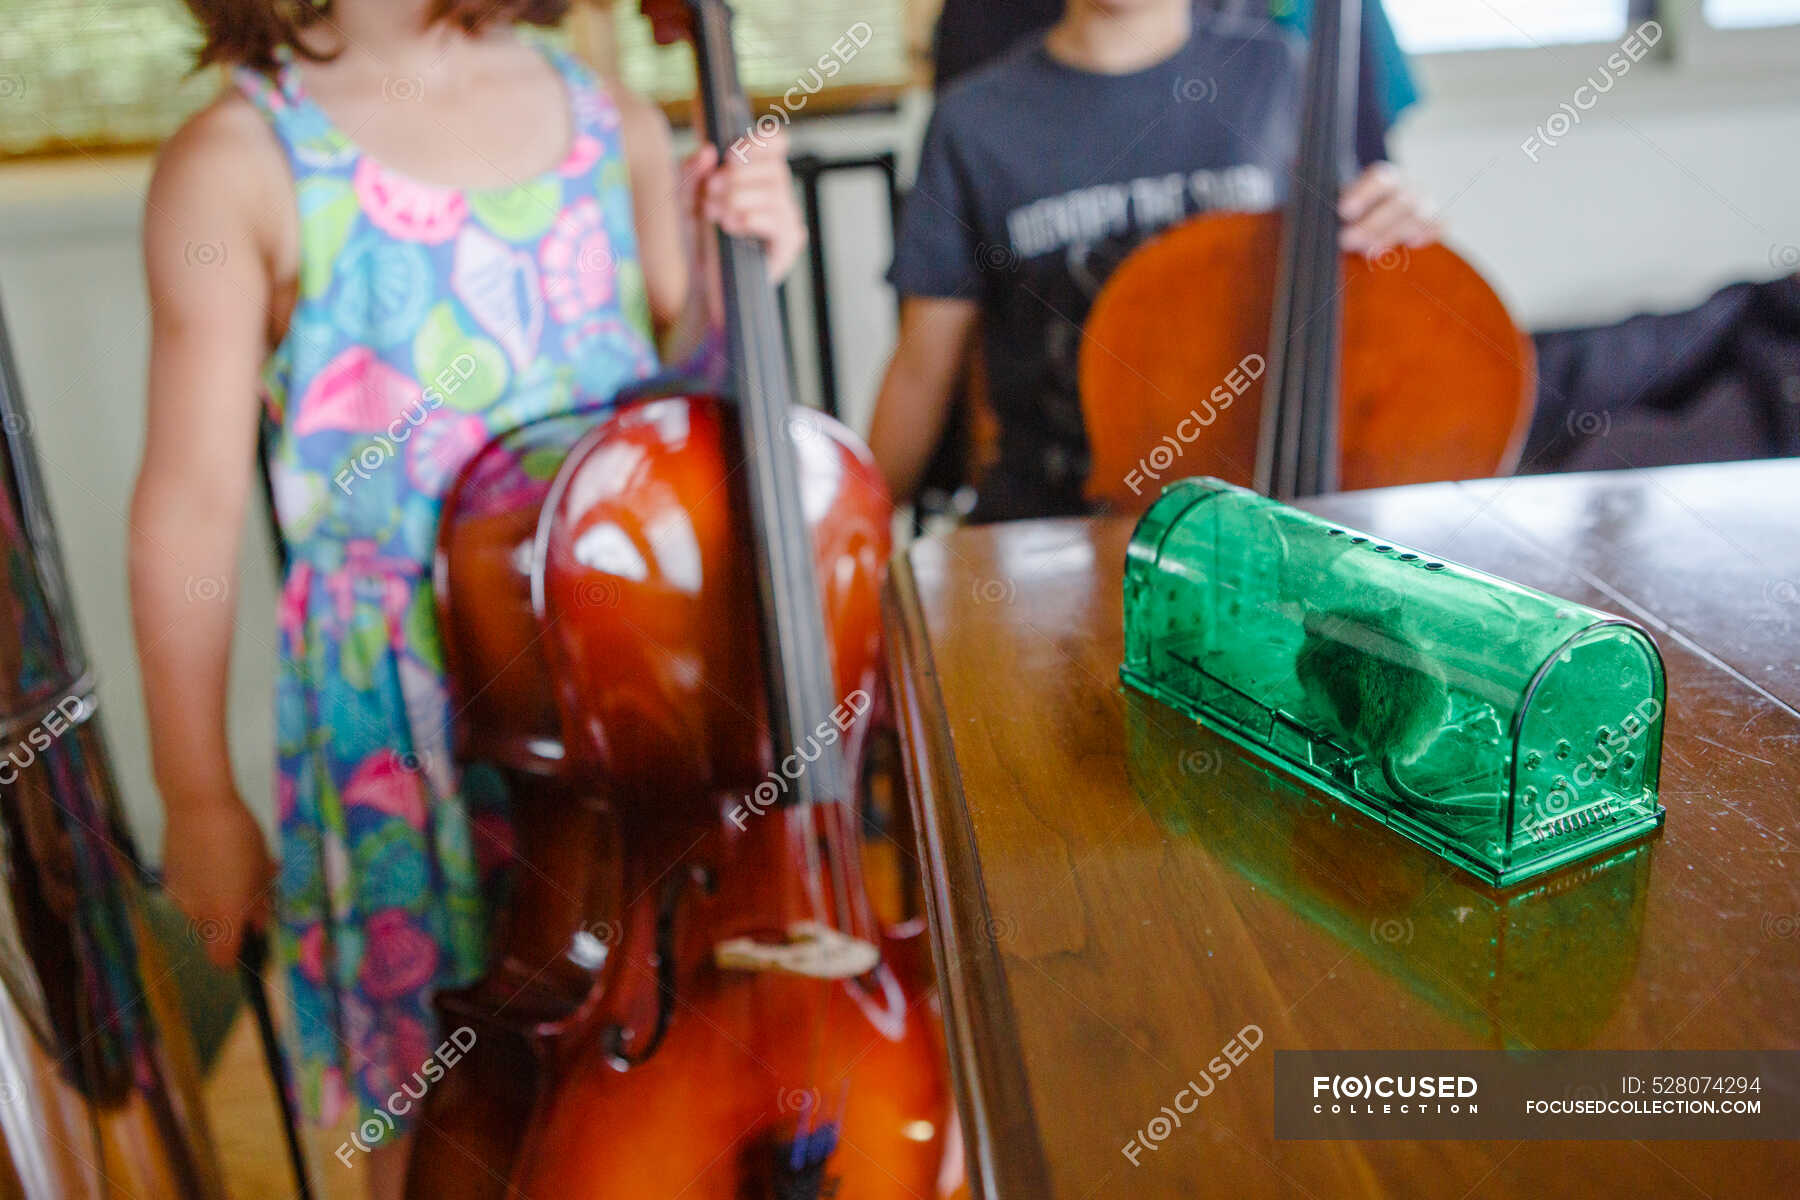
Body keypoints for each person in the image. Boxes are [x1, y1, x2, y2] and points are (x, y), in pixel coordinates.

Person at [127, 1, 803, 1195]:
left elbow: (680, 383)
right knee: (438, 1106)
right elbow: (187, 506)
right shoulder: (238, 162)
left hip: (606, 689)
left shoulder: (614, 123)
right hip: (401, 721)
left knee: (634, 1042)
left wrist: (733, 259)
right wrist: (195, 793)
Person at [871, 0, 1439, 523]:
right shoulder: (971, 122)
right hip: (1060, 522)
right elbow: (922, 371)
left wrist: (1392, 223)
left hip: (1262, 508)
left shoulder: (1277, 72)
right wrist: (854, 537)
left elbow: (1350, 288)